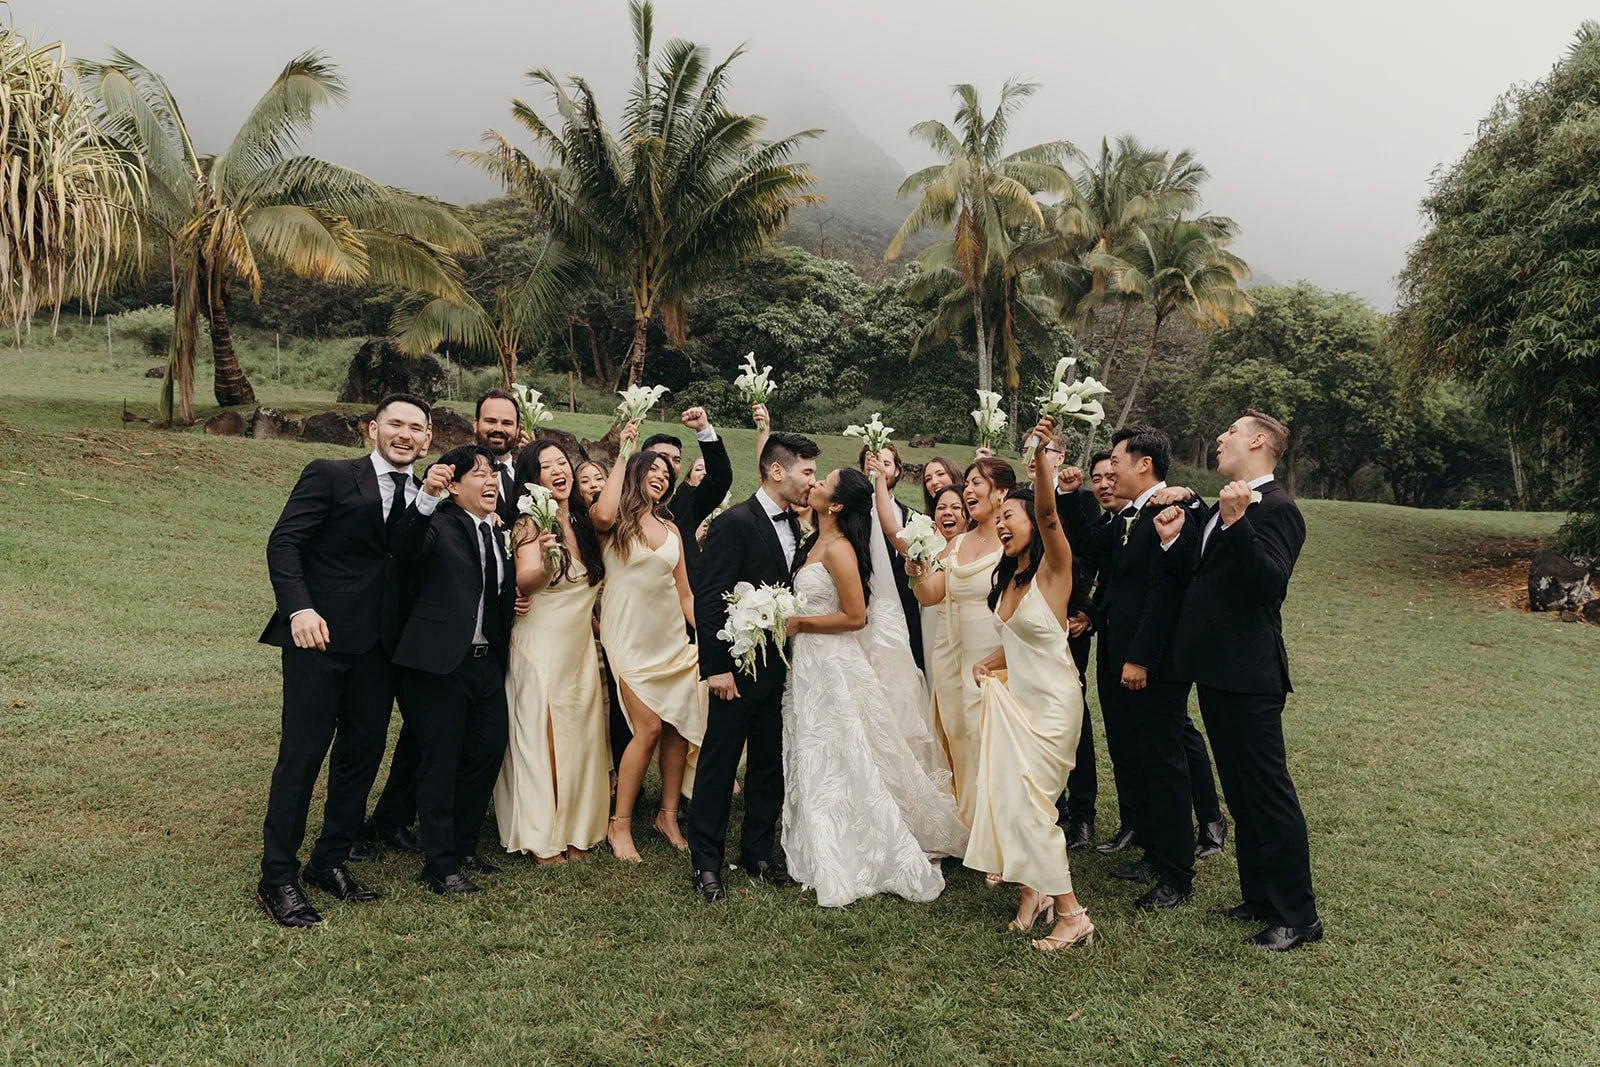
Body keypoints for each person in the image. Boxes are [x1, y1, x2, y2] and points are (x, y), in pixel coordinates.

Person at [255, 393, 433, 926]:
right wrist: (299, 610)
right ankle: (278, 877)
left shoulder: (424, 496)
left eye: (416, 428)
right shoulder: (329, 475)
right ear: (372, 429)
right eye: (395, 424)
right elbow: (284, 544)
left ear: (427, 439)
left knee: (360, 757)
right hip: (319, 641)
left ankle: (329, 861)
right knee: (302, 757)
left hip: (380, 652)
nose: (405, 434)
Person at [1153, 411, 1320, 951]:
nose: (1219, 438)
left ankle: (1299, 915)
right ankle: (1260, 896)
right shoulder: (1225, 503)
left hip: (1251, 675)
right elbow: (1206, 576)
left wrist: (1237, 522)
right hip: (1217, 672)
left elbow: (1270, 585)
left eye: (1229, 431)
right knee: (1242, 795)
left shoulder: (1278, 509)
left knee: (1269, 795)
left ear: (1257, 441)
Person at [781, 467, 968, 906]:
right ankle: (820, 832)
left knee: (844, 749)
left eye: (823, 483)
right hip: (810, 662)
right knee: (817, 748)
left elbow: (855, 617)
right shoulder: (816, 542)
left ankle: (860, 843)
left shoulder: (841, 549)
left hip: (832, 663)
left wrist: (797, 622)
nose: (815, 485)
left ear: (837, 504)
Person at [1060, 427, 1219, 911]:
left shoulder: (1175, 510)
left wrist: (1140, 658)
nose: (1111, 472)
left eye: (1119, 462)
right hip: (1119, 655)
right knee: (1137, 757)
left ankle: (1176, 874)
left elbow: (1165, 594)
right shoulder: (1129, 517)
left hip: (1151, 664)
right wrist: (1067, 494)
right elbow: (1087, 542)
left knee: (1165, 766)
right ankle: (1153, 849)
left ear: (1144, 464)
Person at [969, 419, 1095, 951]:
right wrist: (990, 661)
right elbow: (1023, 641)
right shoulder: (1011, 580)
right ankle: (1033, 895)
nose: (1001, 524)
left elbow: (1048, 514)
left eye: (1009, 515)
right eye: (998, 518)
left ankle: (1072, 914)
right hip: (1018, 701)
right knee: (1014, 800)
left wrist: (1040, 456)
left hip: (1054, 707)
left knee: (1035, 806)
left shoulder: (1054, 571)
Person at [688, 432, 820, 902]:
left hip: (779, 669)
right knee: (720, 764)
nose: (813, 481)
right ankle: (706, 861)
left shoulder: (801, 525)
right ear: (776, 470)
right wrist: (717, 667)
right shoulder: (734, 522)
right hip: (736, 669)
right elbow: (709, 597)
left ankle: (757, 853)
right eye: (807, 471)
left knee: (769, 763)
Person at [389, 445, 517, 894]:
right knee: (440, 761)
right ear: (455, 484)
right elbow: (403, 550)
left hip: (486, 664)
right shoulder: (438, 523)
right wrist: (426, 496)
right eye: (479, 474)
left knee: (485, 751)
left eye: (494, 474)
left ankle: (464, 848)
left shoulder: (497, 532)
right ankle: (439, 865)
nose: (491, 481)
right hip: (438, 666)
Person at [591, 425, 705, 862]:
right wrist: (625, 452)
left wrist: (708, 636)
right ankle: (619, 824)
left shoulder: (673, 531)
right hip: (629, 639)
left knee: (677, 728)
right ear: (636, 473)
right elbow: (600, 514)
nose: (660, 475)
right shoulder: (614, 522)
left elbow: (686, 594)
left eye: (665, 472)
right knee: (650, 728)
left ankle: (668, 815)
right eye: (651, 468)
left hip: (671, 639)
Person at [494, 439, 610, 865]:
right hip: (538, 646)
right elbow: (525, 582)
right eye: (546, 467)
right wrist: (545, 561)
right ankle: (544, 833)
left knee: (581, 737)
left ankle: (578, 828)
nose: (558, 471)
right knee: (543, 738)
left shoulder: (582, 522)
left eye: (563, 463)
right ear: (532, 478)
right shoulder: (529, 523)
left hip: (578, 647)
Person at [907, 456, 1016, 827]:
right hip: (954, 659)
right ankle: (971, 824)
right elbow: (930, 595)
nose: (968, 490)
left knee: (993, 744)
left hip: (997, 660)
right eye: (966, 483)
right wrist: (919, 572)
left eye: (976, 483)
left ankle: (1002, 830)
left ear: (1001, 493)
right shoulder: (955, 546)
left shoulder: (1012, 543)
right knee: (960, 740)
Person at [1029, 433, 1098, 852]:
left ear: (1061, 456)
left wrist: (1086, 612)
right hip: (1026, 623)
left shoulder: (1080, 499)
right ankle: (1049, 802)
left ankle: (1084, 810)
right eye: (1029, 450)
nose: (1035, 457)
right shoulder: (1020, 499)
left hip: (1068, 621)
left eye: (1044, 450)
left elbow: (1090, 556)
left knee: (1073, 715)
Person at [640, 406, 732, 576]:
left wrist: (703, 429)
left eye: (677, 459)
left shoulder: (687, 499)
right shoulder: (623, 499)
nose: (670, 464)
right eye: (662, 457)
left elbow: (720, 478)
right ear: (642, 460)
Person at [859, 443, 925, 671]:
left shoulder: (913, 517)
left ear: (897, 470)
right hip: (866, 614)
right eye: (873, 463)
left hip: (906, 616)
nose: (879, 468)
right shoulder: (855, 515)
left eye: (886, 463)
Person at [474, 389, 524, 526]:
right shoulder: (458, 471)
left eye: (507, 423)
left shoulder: (525, 471)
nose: (498, 429)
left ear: (518, 429)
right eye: (491, 421)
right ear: (475, 424)